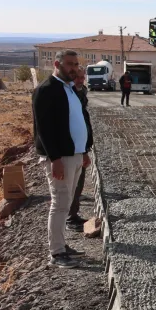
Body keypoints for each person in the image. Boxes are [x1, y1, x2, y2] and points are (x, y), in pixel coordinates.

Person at [33, 50, 92, 268]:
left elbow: (79, 122)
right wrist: (55, 158)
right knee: (59, 204)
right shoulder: (46, 90)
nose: (74, 68)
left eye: (76, 64)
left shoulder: (69, 90)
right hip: (60, 158)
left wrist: (84, 151)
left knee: (66, 204)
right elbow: (44, 129)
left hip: (75, 155)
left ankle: (62, 245)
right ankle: (56, 253)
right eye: (69, 64)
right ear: (57, 64)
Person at [67, 67, 94, 231]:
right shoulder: (69, 95)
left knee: (78, 184)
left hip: (80, 147)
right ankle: (70, 219)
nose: (80, 80)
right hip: (72, 149)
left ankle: (73, 215)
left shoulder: (80, 93)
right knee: (71, 186)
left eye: (83, 77)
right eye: (77, 78)